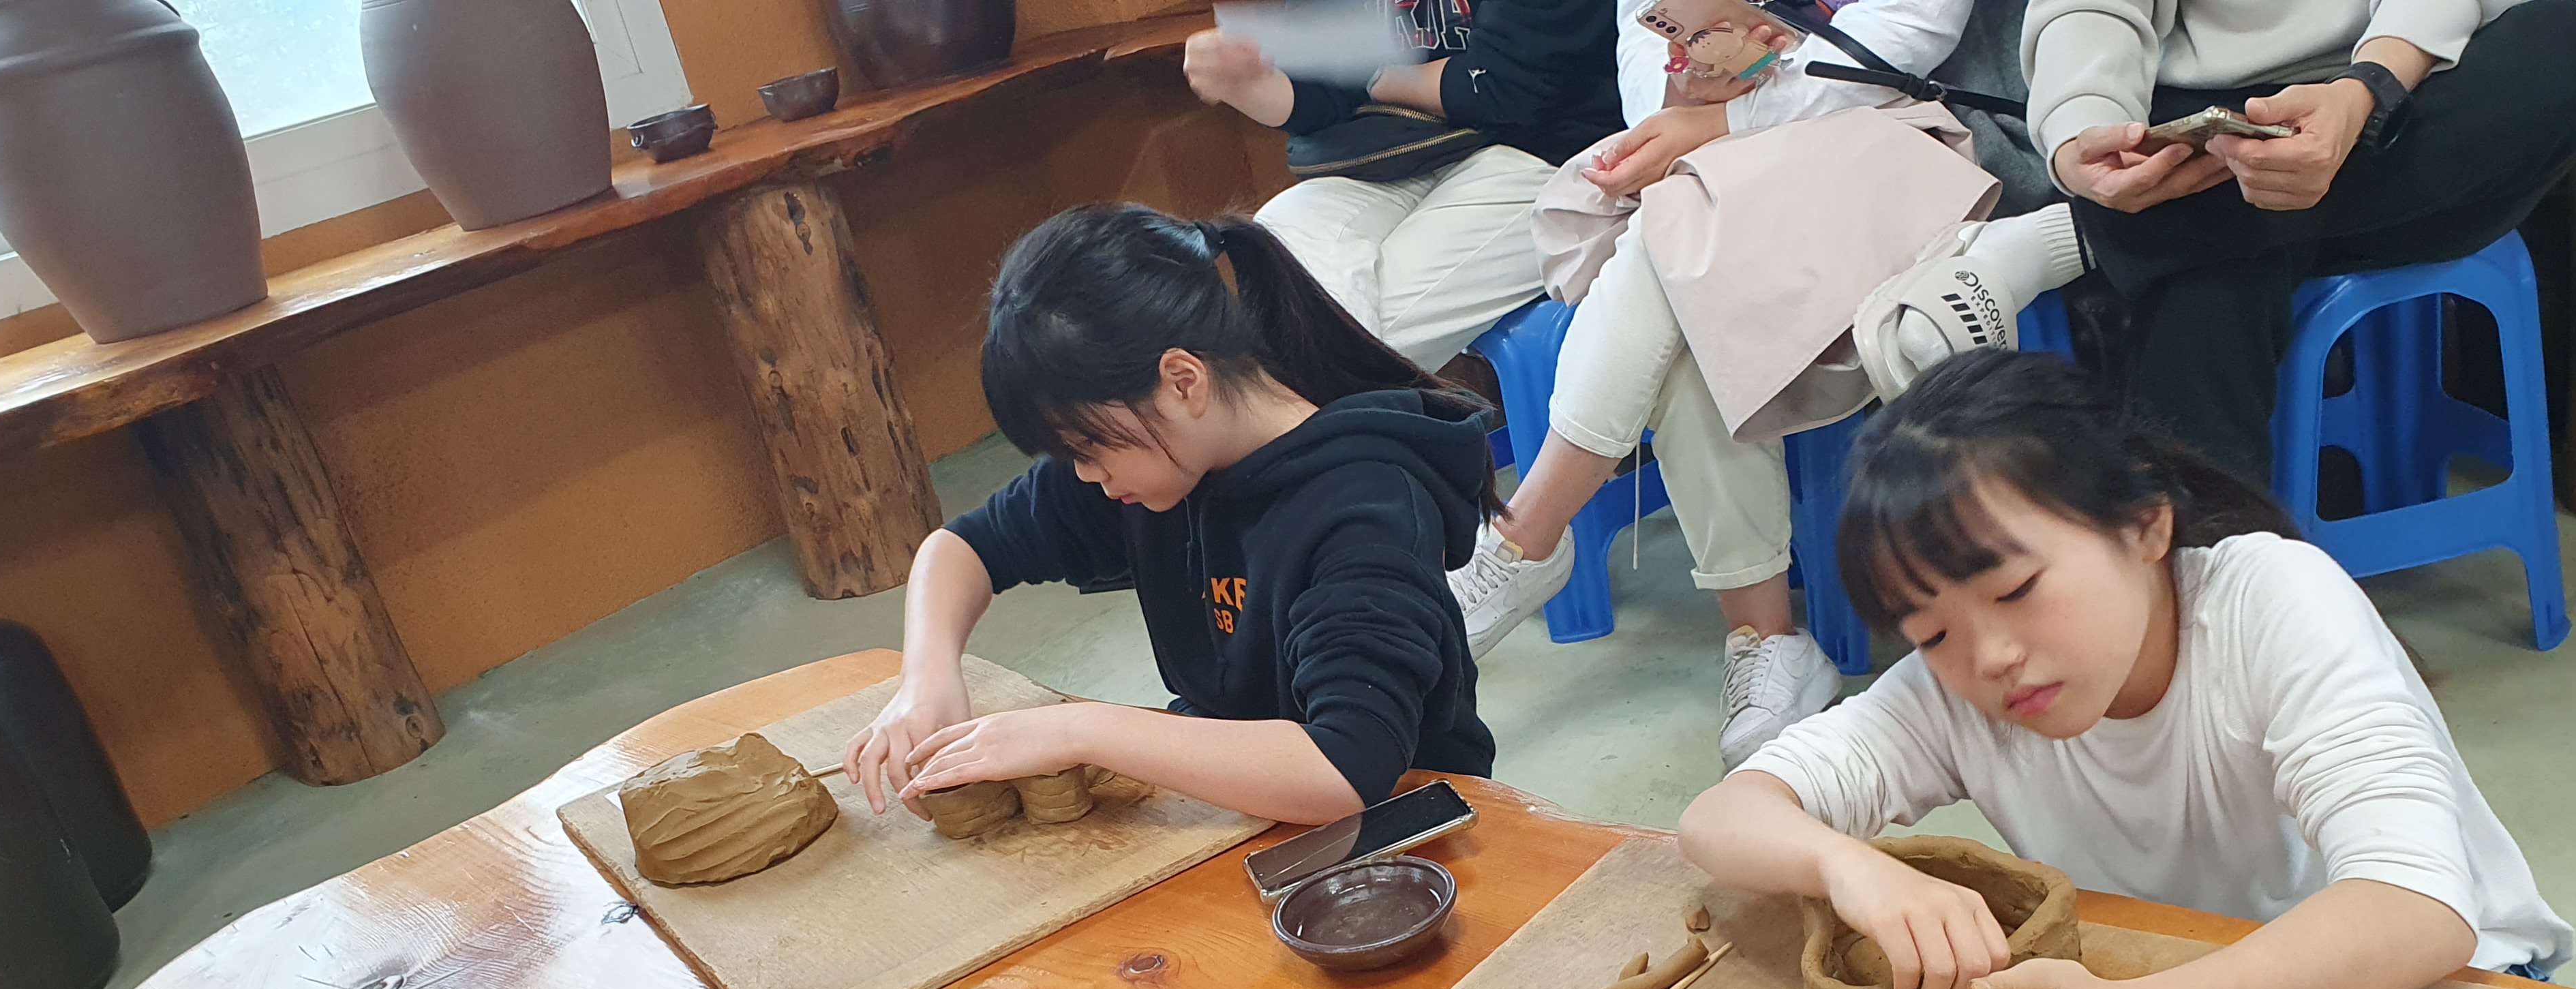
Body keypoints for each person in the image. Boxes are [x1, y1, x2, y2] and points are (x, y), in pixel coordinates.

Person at [1678, 351, 2573, 989]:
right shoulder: (1953, 694)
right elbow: (1720, 820)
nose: (1988, 657)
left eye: (2018, 590)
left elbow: (2417, 910)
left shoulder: (2270, 600)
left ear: (2146, 528)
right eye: (1934, 631)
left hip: (2450, 987)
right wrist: (1848, 864)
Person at [1456, 0, 2085, 771]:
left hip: (1883, 137)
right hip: (1722, 151)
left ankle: (1530, 537)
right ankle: (1768, 645)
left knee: (1679, 229)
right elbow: (1644, 42)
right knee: (1686, 265)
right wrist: (1692, 90)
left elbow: (1901, 38)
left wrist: (1738, 112)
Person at [840, 204, 1496, 827]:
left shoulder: (1365, 508)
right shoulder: (1156, 462)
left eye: (1087, 446)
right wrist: (925, 681)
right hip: (1243, 813)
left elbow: (1344, 770)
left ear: (1183, 381)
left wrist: (1078, 730)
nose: (1086, 476)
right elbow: (964, 548)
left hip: (1404, 831)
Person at [2022, 0, 2576, 482]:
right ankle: (2215, 588)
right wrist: (2083, 132)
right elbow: (2090, 11)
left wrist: (2367, 90)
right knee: (2210, 281)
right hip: (2232, 121)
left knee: (2571, 43)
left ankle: (2104, 233)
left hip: (2419, 107)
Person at [1181, 0, 1622, 371]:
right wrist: (1249, 83)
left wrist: (1372, 77)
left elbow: (1505, 90)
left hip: (1550, 157)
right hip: (1395, 154)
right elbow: (1322, 95)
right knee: (1273, 271)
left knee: (1356, 342)